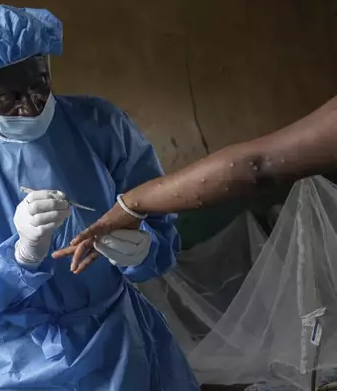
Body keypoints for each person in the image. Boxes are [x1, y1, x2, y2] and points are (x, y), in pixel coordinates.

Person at [0, 5, 199, 391]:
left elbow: (157, 220)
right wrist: (21, 256)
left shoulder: (100, 125)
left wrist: (142, 247)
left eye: (40, 85)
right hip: (21, 359)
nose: (31, 107)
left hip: (117, 340)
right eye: (8, 97)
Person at [53, 94, 337, 274]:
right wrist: (131, 205)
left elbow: (258, 165)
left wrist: (131, 204)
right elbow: (257, 164)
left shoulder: (103, 122)